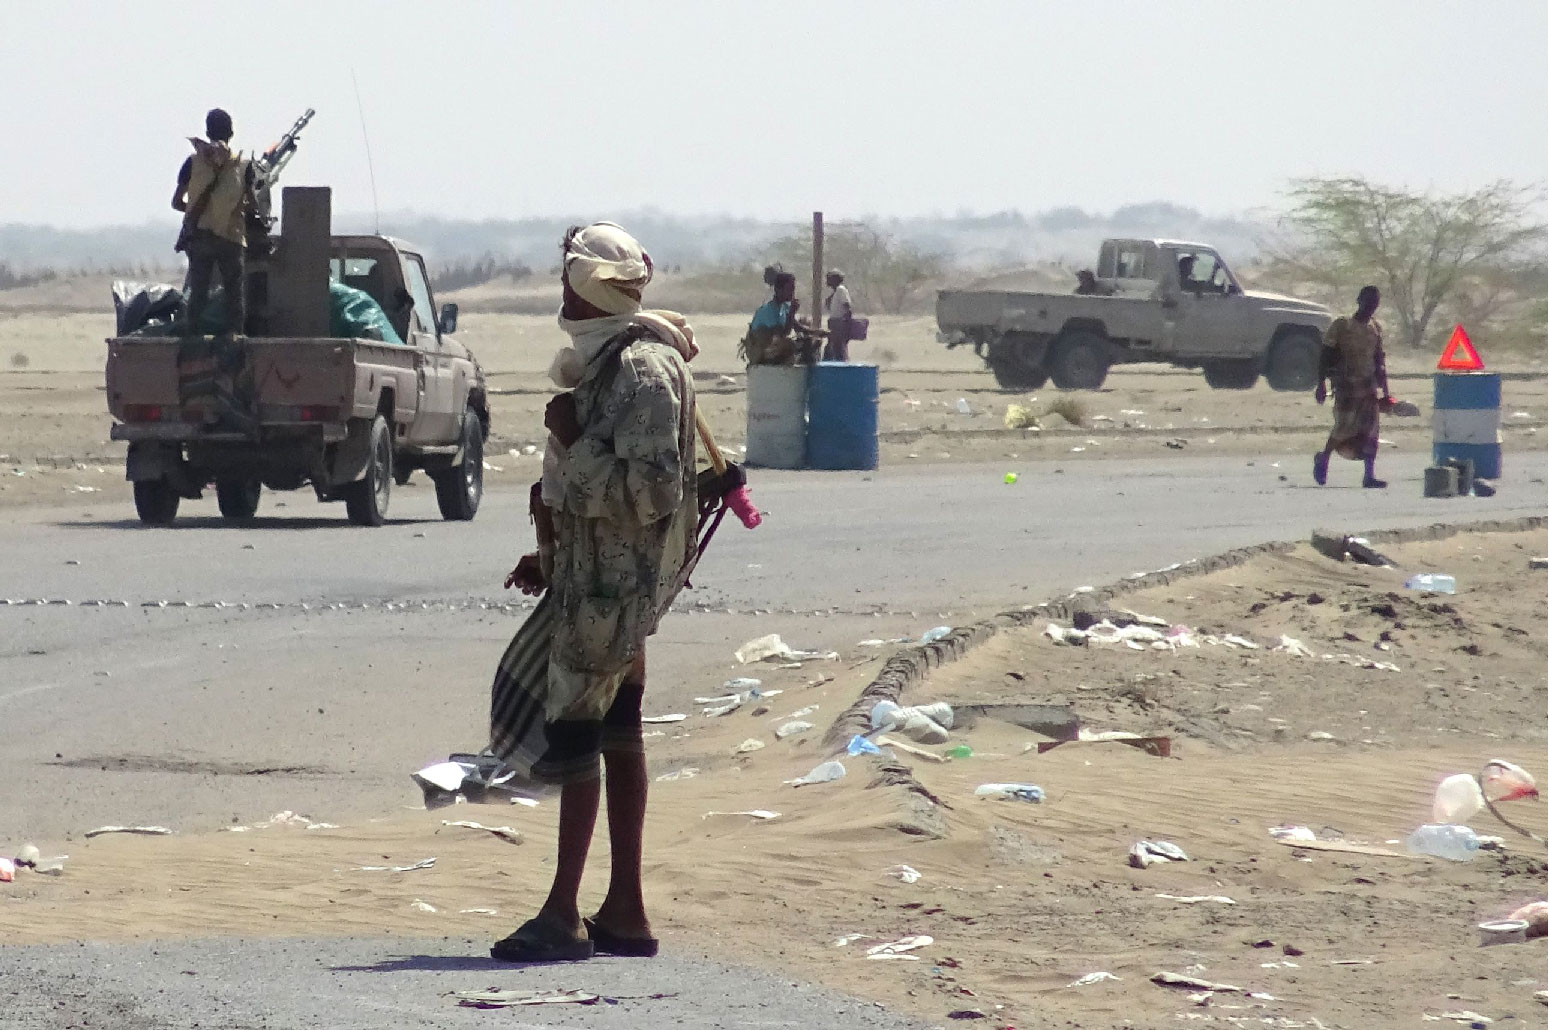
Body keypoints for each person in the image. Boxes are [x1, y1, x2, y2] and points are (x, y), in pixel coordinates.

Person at [489, 222, 699, 963]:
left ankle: (562, 914)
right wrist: (550, 554)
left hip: (614, 591)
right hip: (597, 579)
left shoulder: (640, 371)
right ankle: (624, 911)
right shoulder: (613, 361)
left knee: (578, 728)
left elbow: (653, 492)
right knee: (618, 727)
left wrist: (573, 442)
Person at [172, 108, 252, 336]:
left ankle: (193, 338)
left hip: (199, 237)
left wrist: (198, 211)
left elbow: (177, 202)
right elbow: (253, 205)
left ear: (207, 132)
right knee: (234, 294)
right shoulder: (243, 167)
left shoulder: (193, 163)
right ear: (232, 133)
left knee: (198, 291)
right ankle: (234, 338)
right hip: (231, 237)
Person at [1314, 285, 1388, 488]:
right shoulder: (1341, 326)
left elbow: (1379, 360)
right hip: (1346, 385)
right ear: (1359, 300)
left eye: (1375, 302)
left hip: (1368, 386)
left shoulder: (1375, 328)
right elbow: (1325, 356)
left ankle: (1369, 475)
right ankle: (1323, 459)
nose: (1371, 306)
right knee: (1343, 427)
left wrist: (1386, 391)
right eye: (1368, 301)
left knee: (1371, 430)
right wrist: (1320, 384)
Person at [743, 272, 802, 364]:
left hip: (771, 348)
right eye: (789, 289)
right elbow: (783, 334)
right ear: (778, 290)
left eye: (793, 289)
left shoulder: (784, 307)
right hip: (759, 352)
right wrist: (792, 312)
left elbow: (798, 327)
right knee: (789, 345)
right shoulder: (769, 310)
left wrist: (819, 333)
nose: (792, 293)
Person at [823, 269, 854, 362]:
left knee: (838, 349)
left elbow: (847, 307)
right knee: (834, 348)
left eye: (829, 278)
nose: (827, 280)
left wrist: (846, 324)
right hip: (834, 323)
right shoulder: (836, 292)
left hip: (839, 323)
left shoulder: (841, 290)